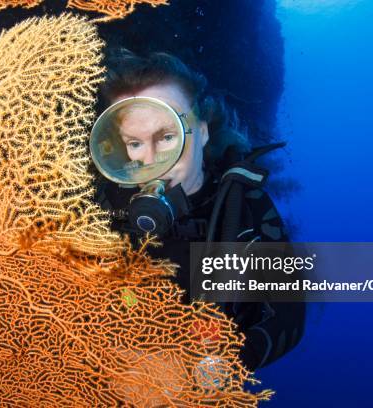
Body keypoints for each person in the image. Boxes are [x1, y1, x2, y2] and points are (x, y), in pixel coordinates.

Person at [93, 49, 306, 371]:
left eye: (167, 136)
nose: (152, 161)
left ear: (202, 132)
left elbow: (289, 315)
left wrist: (223, 367)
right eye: (134, 143)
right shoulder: (102, 207)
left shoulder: (245, 206)